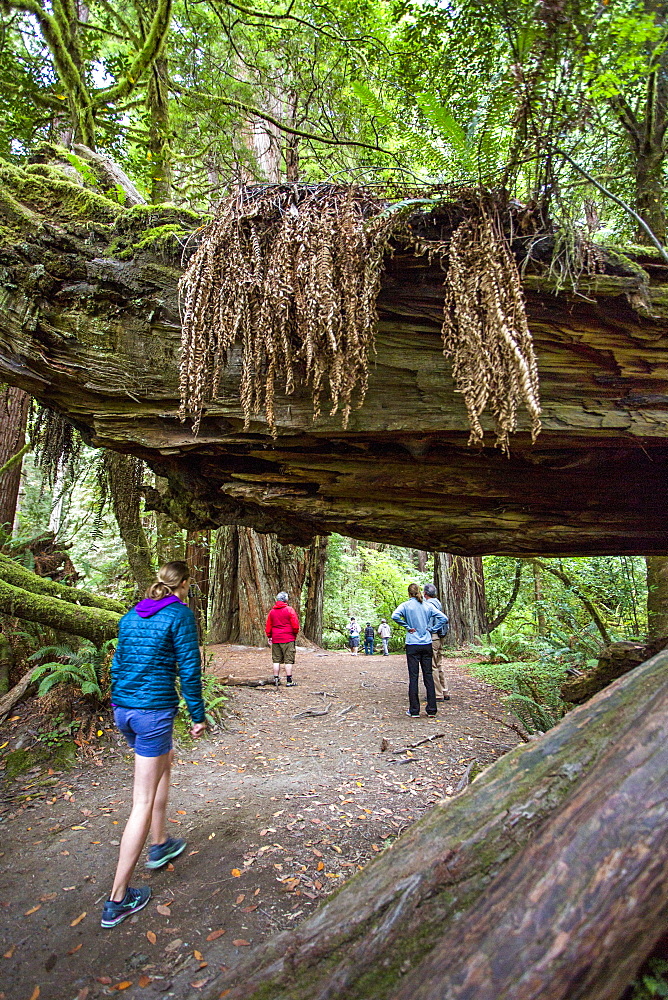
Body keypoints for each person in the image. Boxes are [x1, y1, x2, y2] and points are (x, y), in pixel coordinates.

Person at [101, 561, 206, 929]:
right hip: (152, 714)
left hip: (125, 712)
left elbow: (118, 663)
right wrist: (197, 714)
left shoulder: (131, 615)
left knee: (166, 760)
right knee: (141, 801)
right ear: (184, 585)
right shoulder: (179, 615)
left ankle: (160, 843)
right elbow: (190, 669)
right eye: (190, 583)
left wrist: (119, 702)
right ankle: (118, 898)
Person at [392, 583, 447, 718]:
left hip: (412, 643)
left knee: (414, 677)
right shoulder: (427, 605)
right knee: (428, 675)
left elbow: (395, 616)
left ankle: (414, 710)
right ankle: (432, 709)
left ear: (409, 593)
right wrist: (433, 629)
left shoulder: (405, 605)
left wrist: (406, 626)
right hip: (427, 643)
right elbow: (444, 618)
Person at [265, 591, 299, 686]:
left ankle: (276, 679)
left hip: (276, 638)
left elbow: (268, 626)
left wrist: (269, 636)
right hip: (288, 638)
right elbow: (295, 625)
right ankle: (289, 681)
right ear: (286, 600)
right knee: (288, 660)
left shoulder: (272, 612)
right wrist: (294, 633)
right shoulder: (289, 610)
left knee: (276, 660)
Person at [423, 583, 451, 701]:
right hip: (440, 636)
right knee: (438, 664)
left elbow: (431, 621)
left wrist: (431, 630)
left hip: (433, 636)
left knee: (432, 665)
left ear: (425, 594)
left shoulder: (428, 604)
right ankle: (444, 690)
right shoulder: (438, 602)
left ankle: (437, 693)